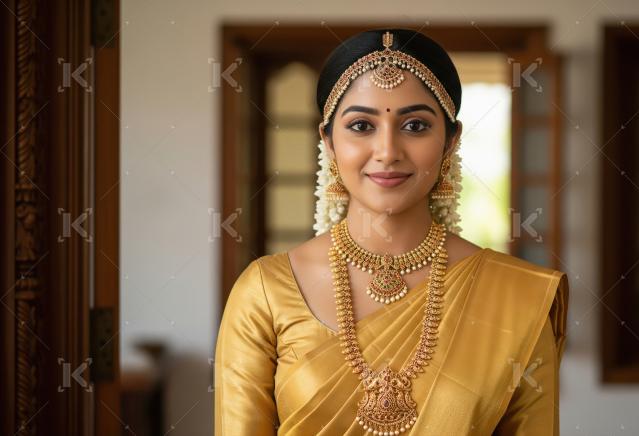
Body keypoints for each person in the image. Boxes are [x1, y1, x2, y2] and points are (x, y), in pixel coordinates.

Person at [214, 27, 569, 436]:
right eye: (361, 126)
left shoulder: (513, 295)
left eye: (415, 126)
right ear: (328, 142)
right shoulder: (265, 292)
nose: (387, 151)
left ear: (450, 141)